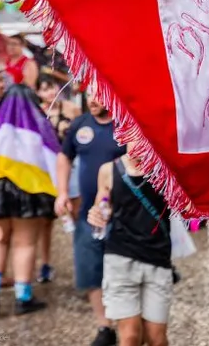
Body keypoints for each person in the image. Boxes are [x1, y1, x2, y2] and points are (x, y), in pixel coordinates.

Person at [56, 94, 127, 346]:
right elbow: (64, 156)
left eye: (99, 94)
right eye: (90, 94)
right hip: (88, 215)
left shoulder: (126, 124)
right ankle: (104, 326)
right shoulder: (80, 125)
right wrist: (63, 192)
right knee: (90, 271)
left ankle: (127, 323)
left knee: (122, 272)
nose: (93, 99)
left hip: (123, 218)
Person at [0, 84, 56, 316]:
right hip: (29, 191)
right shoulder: (38, 125)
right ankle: (23, 296)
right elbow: (53, 154)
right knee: (25, 243)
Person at [87, 144, 174, 346]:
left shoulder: (167, 170)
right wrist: (97, 213)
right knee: (130, 336)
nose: (137, 142)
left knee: (156, 338)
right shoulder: (109, 169)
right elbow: (102, 203)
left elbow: (189, 206)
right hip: (120, 257)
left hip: (157, 259)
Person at [35, 75, 81, 285]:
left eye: (51, 87)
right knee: (46, 222)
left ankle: (83, 260)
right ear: (38, 93)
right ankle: (45, 264)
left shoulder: (72, 108)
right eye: (44, 89)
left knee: (78, 214)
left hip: (72, 167)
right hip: (46, 171)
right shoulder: (36, 113)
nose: (49, 92)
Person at [38, 75, 80, 142]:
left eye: (51, 88)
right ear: (38, 92)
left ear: (57, 87)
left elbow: (82, 129)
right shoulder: (37, 112)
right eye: (45, 90)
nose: (50, 93)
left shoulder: (71, 107)